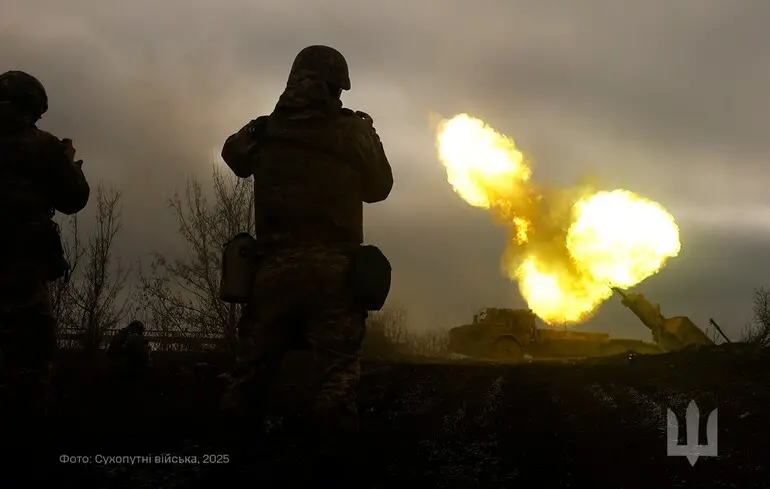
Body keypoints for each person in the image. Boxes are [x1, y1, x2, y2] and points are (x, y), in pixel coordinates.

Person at [220, 45, 393, 481]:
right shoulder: (350, 132)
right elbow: (379, 188)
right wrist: (369, 135)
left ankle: (230, 461)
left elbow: (232, 155)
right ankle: (331, 468)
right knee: (336, 376)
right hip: (333, 273)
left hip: (272, 273)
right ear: (336, 85)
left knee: (250, 377)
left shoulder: (262, 130)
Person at [0, 70, 90, 420]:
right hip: (19, 271)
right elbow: (73, 198)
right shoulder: (41, 145)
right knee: (29, 367)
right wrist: (69, 162)